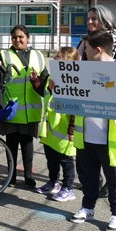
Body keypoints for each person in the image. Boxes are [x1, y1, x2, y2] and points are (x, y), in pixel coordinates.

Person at [70, 30, 116, 231]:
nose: (82, 53)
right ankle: (88, 207)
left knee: (115, 180)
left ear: (98, 50)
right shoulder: (83, 70)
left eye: (86, 49)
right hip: (87, 137)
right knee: (87, 177)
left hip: (112, 141)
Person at [76, 4, 116, 198]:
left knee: (109, 154)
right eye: (88, 18)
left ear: (105, 20)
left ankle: (110, 184)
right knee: (87, 152)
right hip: (87, 105)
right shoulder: (84, 42)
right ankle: (92, 185)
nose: (90, 22)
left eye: (94, 19)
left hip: (108, 106)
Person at [0, 24, 47, 188]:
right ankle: (11, 176)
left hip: (30, 110)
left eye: (21, 37)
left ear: (27, 38)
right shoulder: (4, 55)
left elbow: (45, 80)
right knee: (11, 143)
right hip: (11, 108)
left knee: (27, 143)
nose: (17, 40)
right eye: (14, 37)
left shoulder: (38, 56)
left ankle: (28, 175)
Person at [37, 46, 79, 202]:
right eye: (55, 59)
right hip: (50, 128)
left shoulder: (73, 82)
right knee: (51, 158)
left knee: (66, 160)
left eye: (59, 60)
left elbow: (76, 108)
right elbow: (43, 93)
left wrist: (72, 129)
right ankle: (53, 181)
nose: (55, 61)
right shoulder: (50, 79)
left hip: (64, 129)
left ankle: (68, 188)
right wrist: (38, 83)